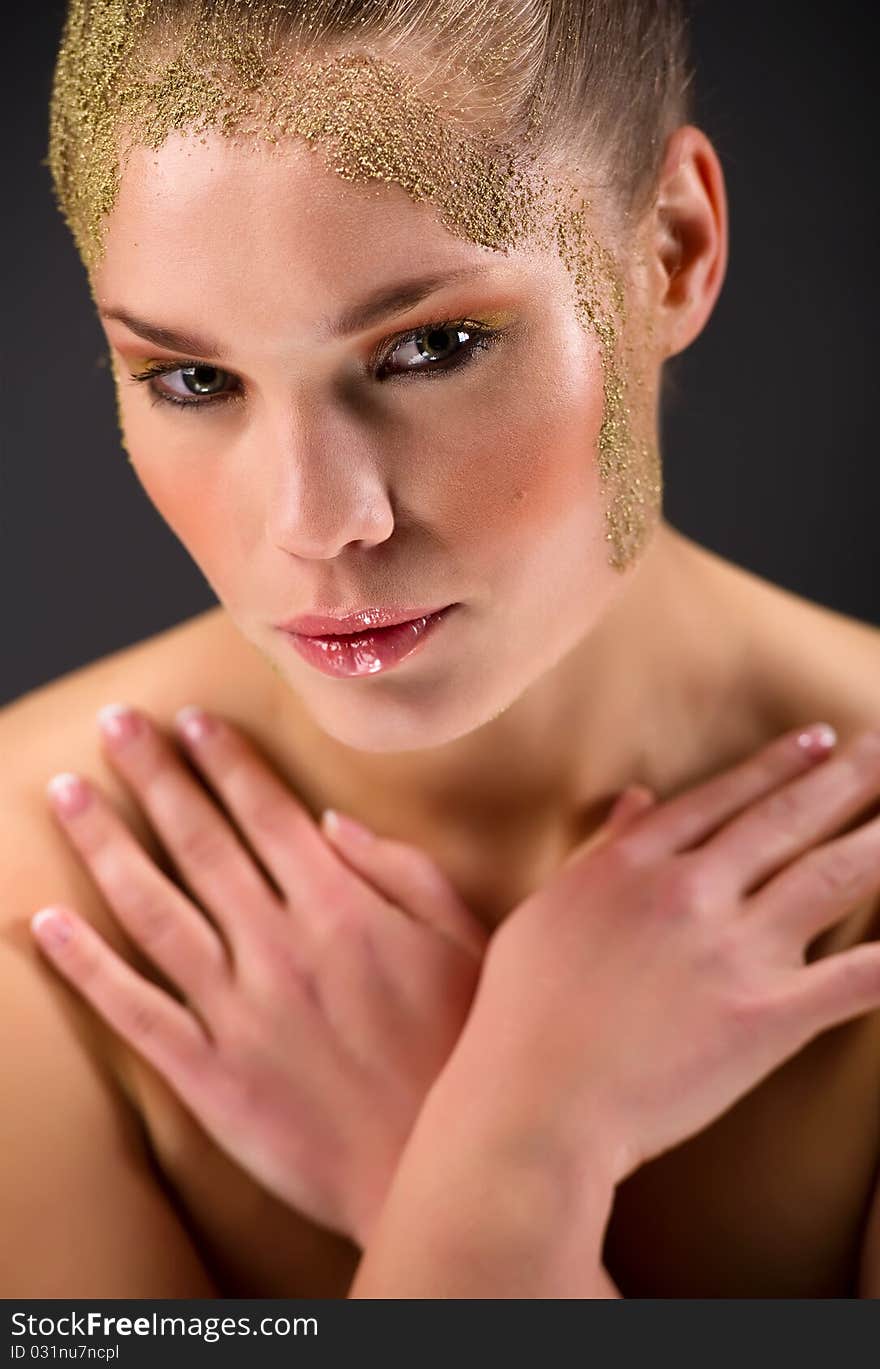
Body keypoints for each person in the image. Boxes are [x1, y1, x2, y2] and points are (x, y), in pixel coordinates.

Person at [2, 0, 879, 1298]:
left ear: (673, 250)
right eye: (192, 379)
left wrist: (473, 1175)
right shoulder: (34, 891)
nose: (317, 526)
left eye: (430, 347)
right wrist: (513, 1156)